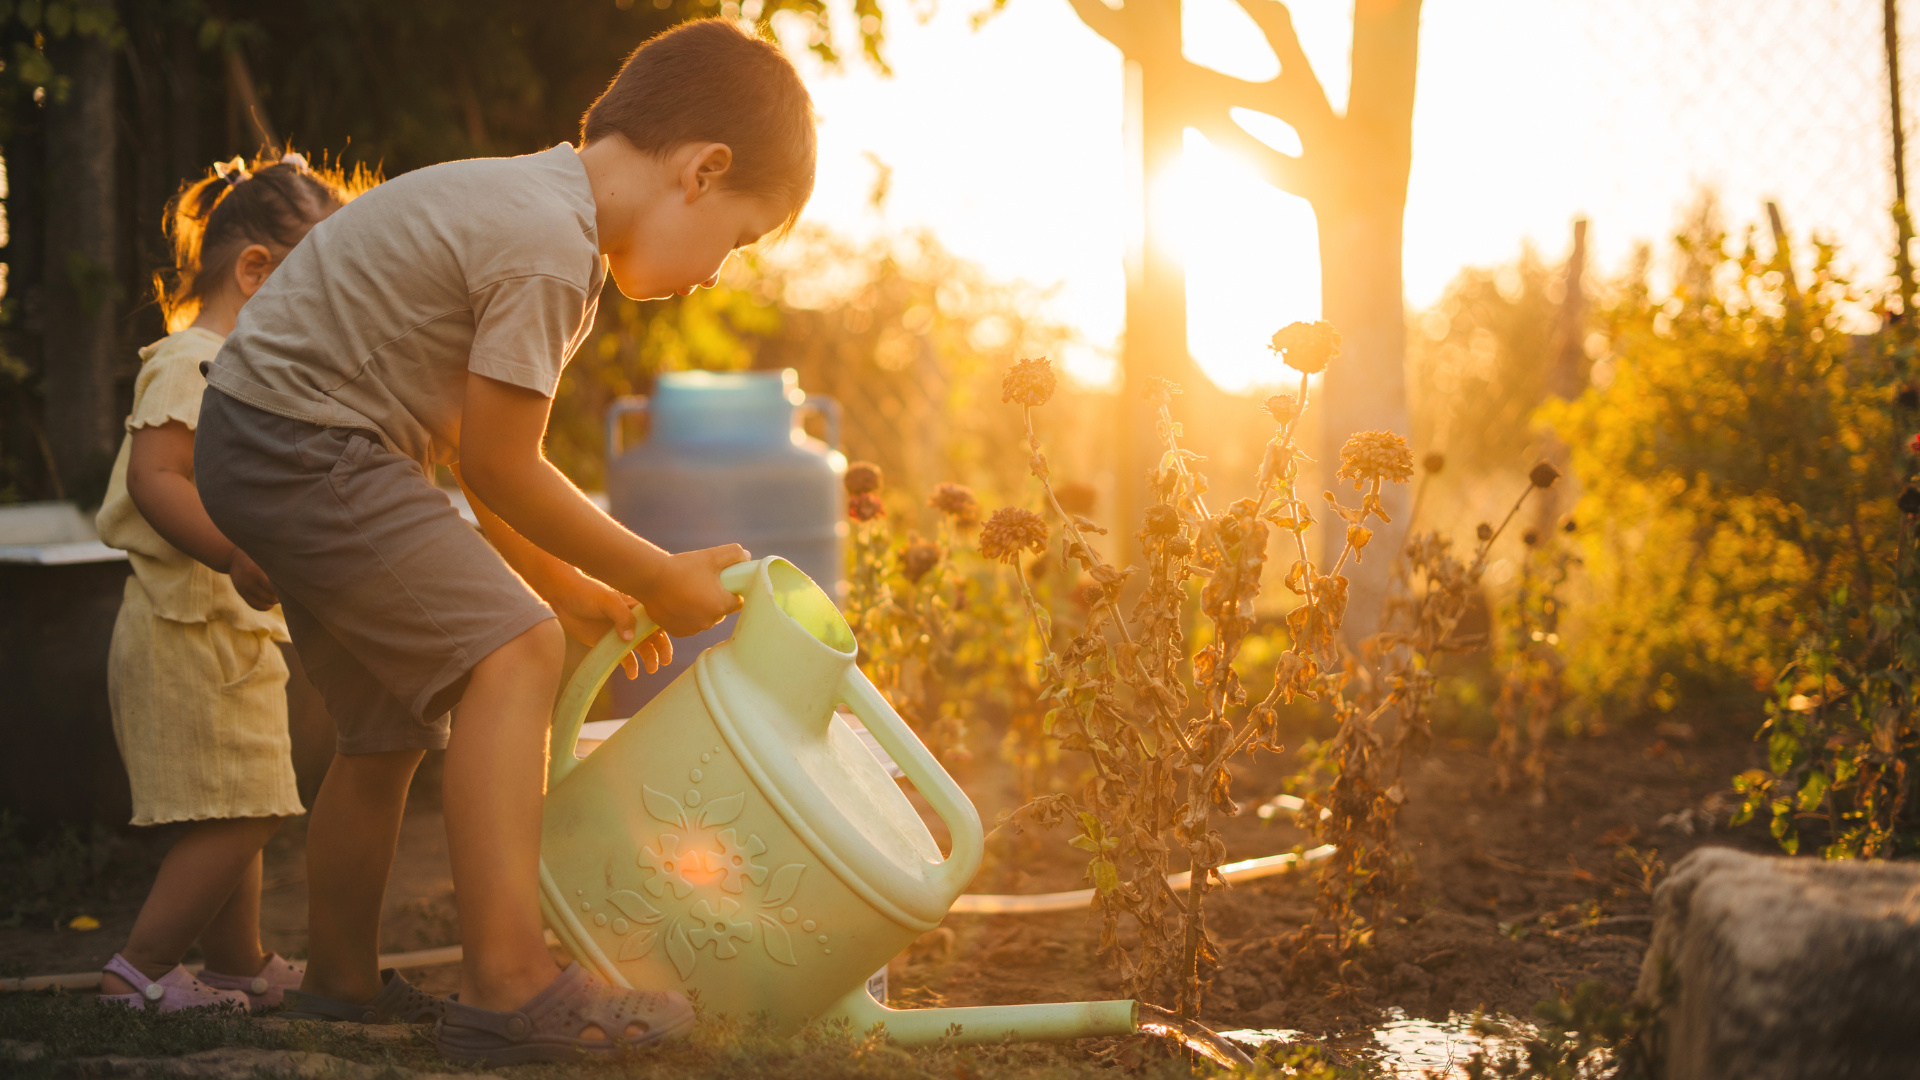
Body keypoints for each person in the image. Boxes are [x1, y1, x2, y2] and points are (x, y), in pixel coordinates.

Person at [192, 19, 814, 1063]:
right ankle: (508, 980)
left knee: (384, 725)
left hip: (279, 436)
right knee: (513, 652)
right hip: (305, 441)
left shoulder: (524, 201)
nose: (717, 273)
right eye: (740, 239)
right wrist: (656, 574)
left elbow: (468, 447)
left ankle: (339, 982)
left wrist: (569, 583)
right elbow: (500, 469)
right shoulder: (547, 249)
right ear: (703, 171)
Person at [96, 150, 370, 1012]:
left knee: (238, 799)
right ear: (256, 271)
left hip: (225, 635)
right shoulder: (193, 362)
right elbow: (158, 478)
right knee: (248, 808)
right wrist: (234, 555)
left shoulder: (234, 369)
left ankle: (237, 963)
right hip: (192, 631)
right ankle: (137, 972)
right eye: (314, 291)